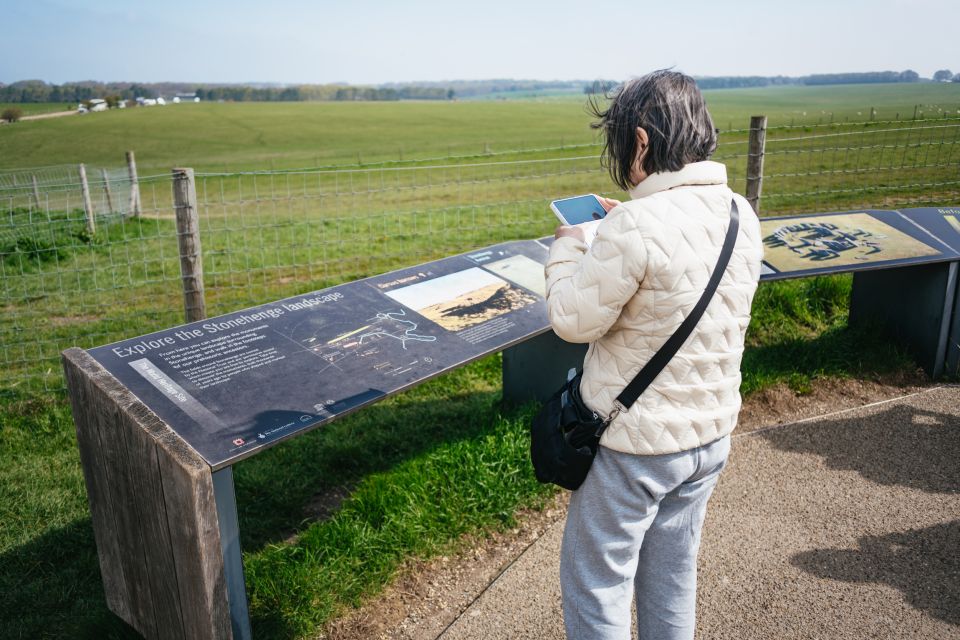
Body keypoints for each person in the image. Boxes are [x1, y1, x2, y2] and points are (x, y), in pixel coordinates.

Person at [544, 69, 764, 639]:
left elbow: (571, 319)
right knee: (672, 577)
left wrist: (568, 251)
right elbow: (682, 274)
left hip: (633, 447)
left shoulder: (637, 227)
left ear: (641, 142)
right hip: (709, 437)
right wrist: (627, 225)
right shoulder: (743, 214)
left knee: (599, 584)